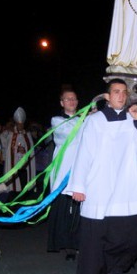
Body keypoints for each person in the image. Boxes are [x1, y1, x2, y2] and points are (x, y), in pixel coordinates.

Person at [67, 78, 137, 274]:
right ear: (107, 96)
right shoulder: (95, 121)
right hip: (101, 186)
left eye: (124, 92)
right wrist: (78, 185)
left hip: (127, 187)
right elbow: (84, 154)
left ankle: (117, 270)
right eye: (116, 92)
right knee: (102, 237)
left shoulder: (132, 119)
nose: (121, 96)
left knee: (129, 238)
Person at [46, 87, 81, 261]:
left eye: (74, 98)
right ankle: (66, 244)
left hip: (81, 167)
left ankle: (79, 243)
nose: (72, 101)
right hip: (64, 169)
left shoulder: (86, 119)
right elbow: (69, 135)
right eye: (68, 99)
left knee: (79, 208)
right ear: (62, 103)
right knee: (64, 207)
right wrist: (87, 119)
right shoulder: (57, 120)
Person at [0, 107, 36, 194]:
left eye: (21, 124)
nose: (20, 126)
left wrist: (24, 150)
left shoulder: (27, 134)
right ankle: (13, 188)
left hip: (24, 161)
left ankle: (27, 189)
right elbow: (4, 143)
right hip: (13, 160)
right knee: (13, 175)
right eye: (18, 124)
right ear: (15, 124)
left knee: (24, 176)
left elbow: (30, 148)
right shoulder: (9, 133)